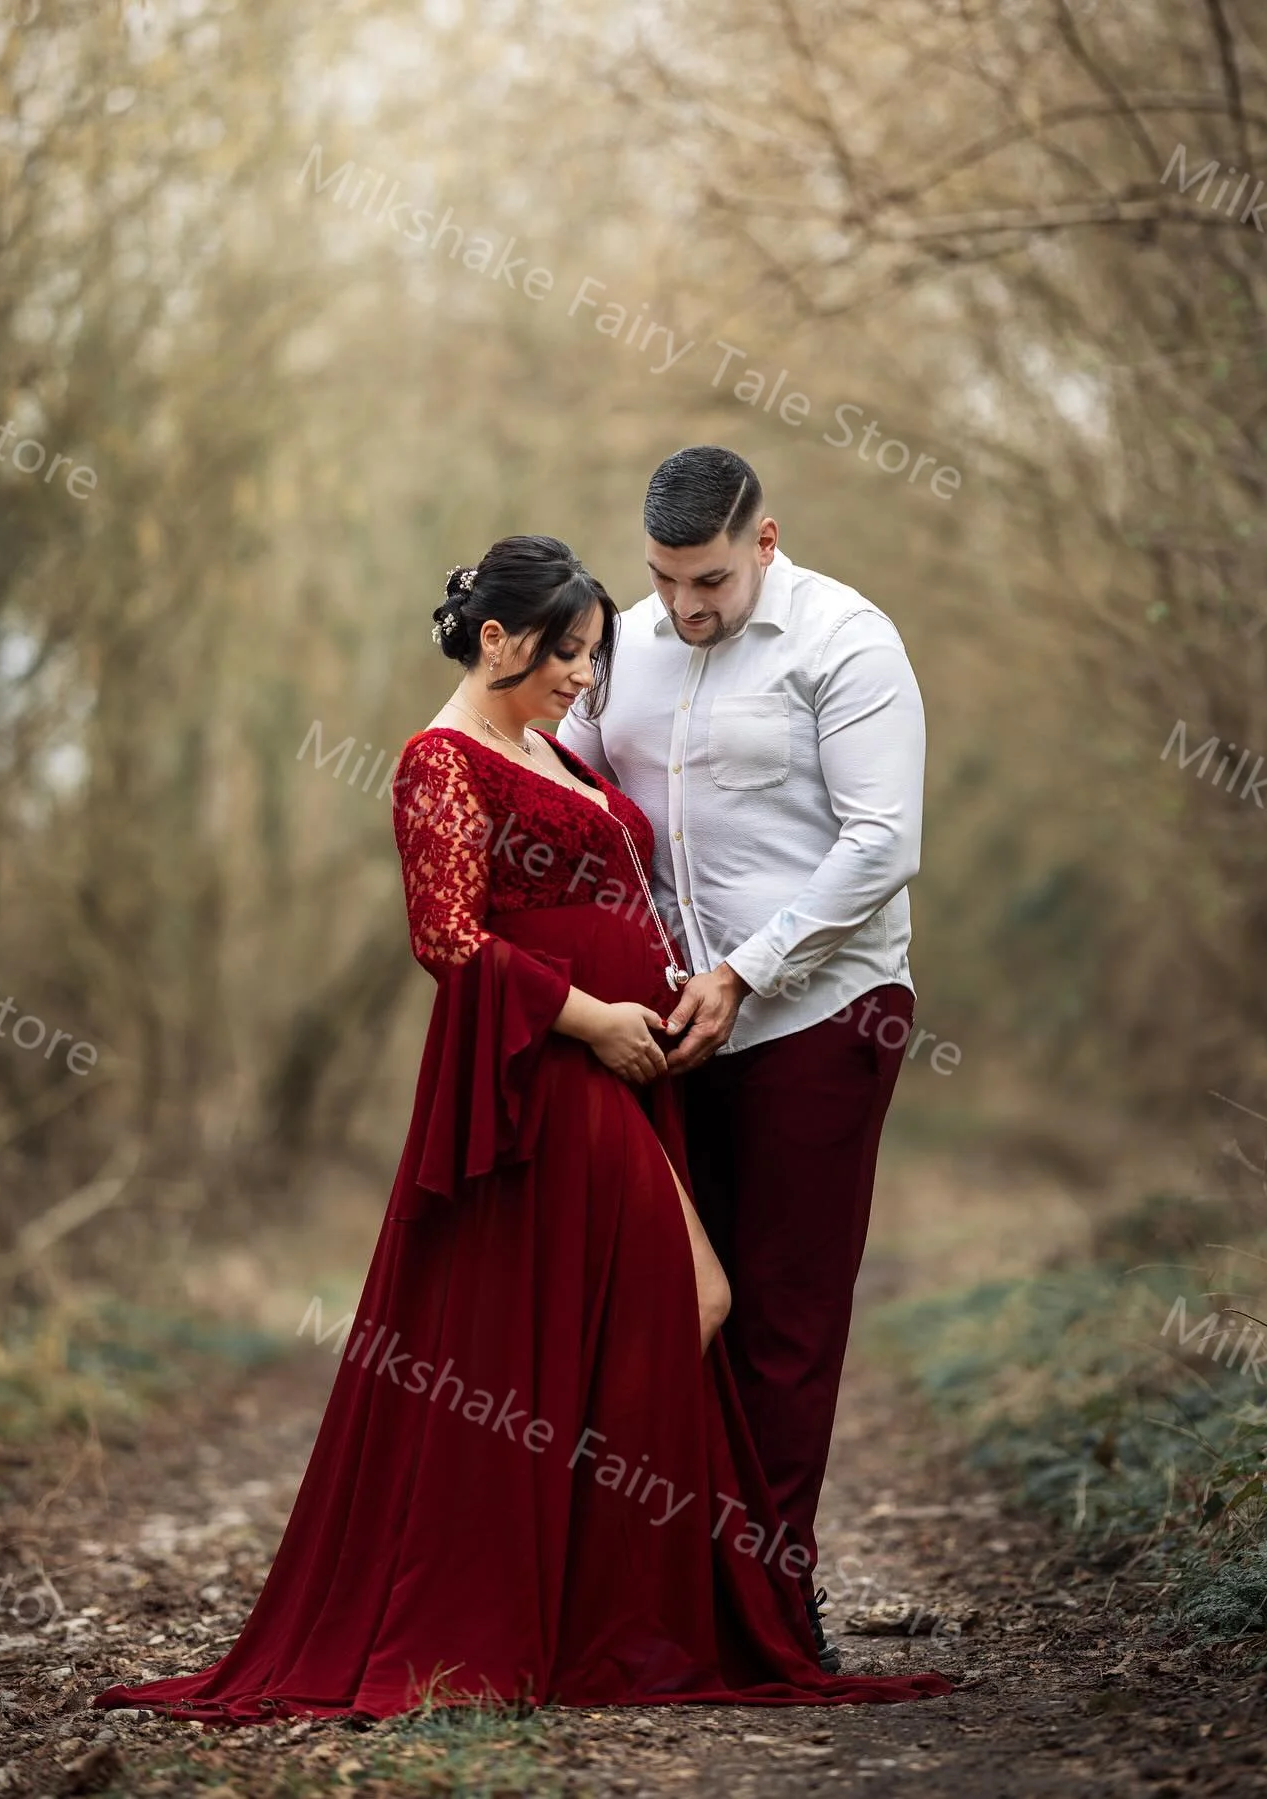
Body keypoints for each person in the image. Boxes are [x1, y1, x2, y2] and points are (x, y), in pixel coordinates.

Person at [92, 534, 951, 1722]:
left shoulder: (547, 747)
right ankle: (561, 1614)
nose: (585, 679)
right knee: (682, 1297)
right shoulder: (438, 761)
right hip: (551, 1072)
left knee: (642, 1318)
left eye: (596, 656)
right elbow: (447, 938)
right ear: (496, 639)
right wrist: (595, 1018)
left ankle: (609, 1611)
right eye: (567, 654)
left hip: (626, 1071)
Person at [556, 451, 926, 1672]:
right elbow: (569, 777)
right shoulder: (629, 643)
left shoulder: (849, 642)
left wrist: (746, 969)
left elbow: (881, 843)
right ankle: (670, 1593)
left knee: (780, 1319)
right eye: (666, 580)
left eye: (709, 578)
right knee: (673, 1302)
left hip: (822, 1014)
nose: (687, 606)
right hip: (661, 1025)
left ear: (767, 540)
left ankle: (775, 1606)